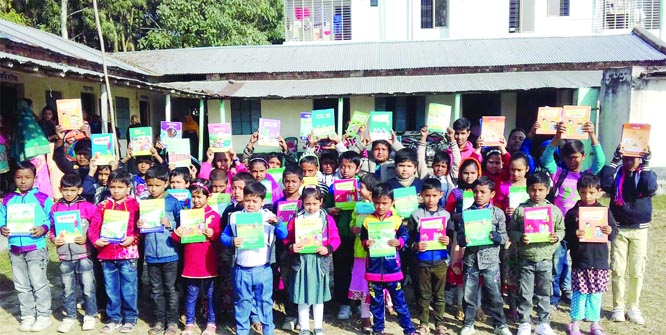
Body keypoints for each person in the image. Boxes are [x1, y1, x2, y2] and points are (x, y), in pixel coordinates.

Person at [540, 120, 605, 308]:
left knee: (576, 263)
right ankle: (554, 297)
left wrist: (593, 135)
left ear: (583, 156)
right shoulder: (558, 172)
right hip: (559, 225)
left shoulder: (586, 175)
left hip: (582, 227)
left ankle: (570, 290)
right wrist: (557, 137)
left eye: (576, 157)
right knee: (556, 261)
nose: (573, 161)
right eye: (569, 158)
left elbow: (600, 161)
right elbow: (546, 160)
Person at [220, 181, 287, 335]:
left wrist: (278, 224)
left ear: (262, 202)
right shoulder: (235, 217)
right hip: (241, 269)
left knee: (264, 302)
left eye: (255, 201)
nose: (250, 204)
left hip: (262, 269)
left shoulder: (268, 217)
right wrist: (231, 241)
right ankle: (242, 330)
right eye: (247, 200)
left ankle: (268, 330)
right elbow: (224, 236)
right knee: (242, 302)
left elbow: (283, 235)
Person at [600, 146, 657, 325]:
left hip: (639, 229)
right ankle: (618, 306)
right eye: (626, 158)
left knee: (636, 270)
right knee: (617, 268)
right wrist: (614, 159)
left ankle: (633, 307)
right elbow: (604, 183)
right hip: (619, 227)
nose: (629, 162)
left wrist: (646, 163)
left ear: (640, 159)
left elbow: (649, 188)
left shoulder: (646, 174)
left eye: (633, 158)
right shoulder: (617, 173)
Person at [0, 161, 54, 332]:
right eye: (19, 177)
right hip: (15, 248)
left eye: (27, 177)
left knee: (39, 283)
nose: (23, 181)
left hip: (36, 248)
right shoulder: (9, 199)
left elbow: (52, 218)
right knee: (21, 284)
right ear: (14, 178)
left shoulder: (43, 198)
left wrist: (43, 228)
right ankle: (28, 315)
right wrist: (2, 227)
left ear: (35, 178)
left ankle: (44, 315)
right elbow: (2, 218)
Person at [509, 171, 565, 335]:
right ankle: (525, 322)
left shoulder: (553, 211)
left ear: (547, 190)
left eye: (541, 190)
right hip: (526, 258)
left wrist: (557, 236)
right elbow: (511, 230)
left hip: (545, 258)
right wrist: (520, 237)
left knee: (544, 292)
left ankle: (543, 322)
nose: (537, 193)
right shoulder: (521, 210)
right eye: (533, 190)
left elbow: (562, 229)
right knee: (525, 292)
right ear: (527, 190)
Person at [456, 177, 512, 335]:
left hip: (491, 261)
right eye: (475, 192)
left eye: (482, 192)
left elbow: (504, 238)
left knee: (494, 294)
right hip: (471, 261)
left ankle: (500, 324)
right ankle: (468, 323)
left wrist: (497, 237)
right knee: (469, 294)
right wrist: (464, 240)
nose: (478, 195)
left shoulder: (498, 214)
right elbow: (460, 239)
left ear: (492, 193)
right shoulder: (466, 214)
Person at [564, 175, 618, 335]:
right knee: (579, 294)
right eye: (583, 192)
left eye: (591, 192)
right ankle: (574, 323)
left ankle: (594, 323)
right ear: (578, 192)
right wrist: (574, 233)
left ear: (599, 192)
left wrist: (609, 231)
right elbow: (565, 236)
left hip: (599, 261)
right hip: (581, 260)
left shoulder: (604, 212)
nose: (587, 196)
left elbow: (614, 232)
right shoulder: (573, 213)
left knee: (595, 294)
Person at [88, 171, 140, 333]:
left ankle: (130, 318)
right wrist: (96, 241)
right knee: (111, 288)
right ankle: (114, 318)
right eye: (112, 187)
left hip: (128, 254)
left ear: (128, 187)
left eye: (120, 187)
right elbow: (93, 228)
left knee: (129, 287)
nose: (116, 191)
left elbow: (141, 226)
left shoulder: (135, 205)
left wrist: (133, 237)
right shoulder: (103, 206)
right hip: (107, 254)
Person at [361, 183, 415, 335]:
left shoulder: (397, 221)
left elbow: (405, 235)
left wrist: (399, 242)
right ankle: (378, 330)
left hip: (393, 270)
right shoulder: (367, 221)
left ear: (392, 202)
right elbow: (363, 238)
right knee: (376, 303)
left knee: (399, 302)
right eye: (377, 202)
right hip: (374, 270)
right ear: (372, 201)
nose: (380, 206)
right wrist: (367, 243)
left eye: (384, 203)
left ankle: (409, 329)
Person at [285, 187, 341, 335]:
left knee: (318, 296)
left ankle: (318, 327)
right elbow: (287, 237)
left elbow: (336, 238)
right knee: (302, 295)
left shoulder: (327, 219)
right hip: (301, 262)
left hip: (319, 261)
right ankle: (304, 327)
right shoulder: (297, 219)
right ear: (302, 203)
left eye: (314, 203)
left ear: (321, 202)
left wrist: (328, 248)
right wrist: (291, 246)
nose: (311, 207)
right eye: (307, 203)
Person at [49, 173, 98, 332]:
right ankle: (70, 316)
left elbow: (97, 224)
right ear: (60, 189)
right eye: (65, 190)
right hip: (64, 256)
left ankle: (90, 315)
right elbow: (52, 228)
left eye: (72, 190)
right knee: (67, 288)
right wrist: (53, 238)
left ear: (80, 190)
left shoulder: (88, 207)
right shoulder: (55, 207)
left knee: (88, 286)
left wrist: (87, 236)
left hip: (83, 255)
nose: (68, 193)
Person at [172, 179, 221, 335]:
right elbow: (178, 238)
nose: (196, 200)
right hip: (191, 259)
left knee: (210, 293)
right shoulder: (187, 215)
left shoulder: (214, 215)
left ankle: (211, 323)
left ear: (208, 196)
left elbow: (220, 238)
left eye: (200, 197)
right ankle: (189, 323)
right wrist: (177, 233)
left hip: (208, 260)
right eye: (193, 197)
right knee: (191, 292)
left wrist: (213, 234)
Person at [139, 166, 183, 335]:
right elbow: (139, 229)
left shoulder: (173, 202)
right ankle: (158, 321)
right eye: (150, 185)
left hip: (170, 254)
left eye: (157, 185)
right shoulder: (145, 202)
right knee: (156, 290)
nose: (153, 188)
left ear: (166, 184)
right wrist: (139, 225)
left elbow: (183, 225)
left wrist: (170, 225)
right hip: (151, 255)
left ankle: (172, 322)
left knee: (170, 289)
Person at [408, 178, 453, 335]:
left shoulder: (446, 215)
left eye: (434, 195)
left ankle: (439, 324)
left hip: (440, 261)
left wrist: (448, 240)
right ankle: (423, 323)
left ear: (440, 195)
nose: (430, 199)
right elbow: (408, 238)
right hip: (422, 261)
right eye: (427, 195)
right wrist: (415, 245)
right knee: (424, 294)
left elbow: (452, 237)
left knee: (439, 295)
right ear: (421, 195)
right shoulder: (416, 215)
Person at [324, 150, 362, 320]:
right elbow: (325, 208)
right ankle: (344, 303)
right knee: (341, 270)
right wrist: (330, 211)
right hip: (340, 236)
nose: (345, 170)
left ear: (358, 168)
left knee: (360, 270)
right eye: (343, 166)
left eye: (350, 167)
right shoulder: (333, 187)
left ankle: (361, 302)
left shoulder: (363, 187)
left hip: (360, 236)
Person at [348, 173, 380, 332]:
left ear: (371, 189)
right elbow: (353, 222)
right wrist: (353, 228)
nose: (358, 190)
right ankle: (365, 318)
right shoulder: (358, 206)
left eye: (361, 187)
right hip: (361, 253)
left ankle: (379, 318)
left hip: (378, 254)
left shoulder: (383, 205)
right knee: (364, 287)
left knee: (379, 287)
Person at [420, 127, 460, 202]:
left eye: (443, 166)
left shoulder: (451, 179)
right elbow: (420, 160)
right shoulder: (427, 177)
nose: (439, 169)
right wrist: (423, 137)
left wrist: (452, 139)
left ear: (448, 168)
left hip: (447, 212)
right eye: (437, 165)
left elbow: (457, 161)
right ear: (433, 165)